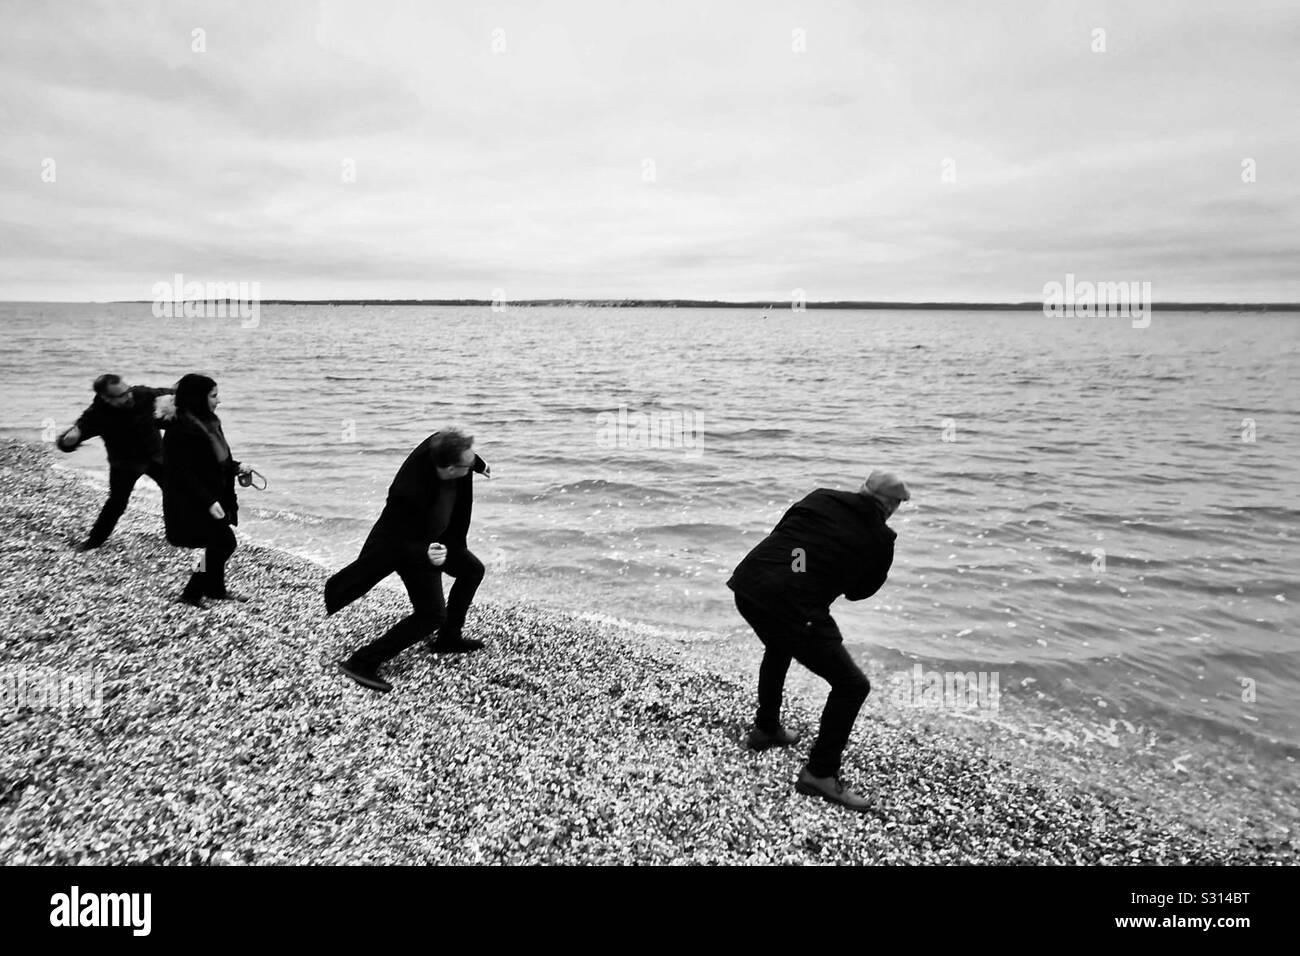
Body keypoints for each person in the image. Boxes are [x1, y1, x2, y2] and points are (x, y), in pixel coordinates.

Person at [727, 470, 911, 812]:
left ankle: (766, 729)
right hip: (793, 606)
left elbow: (784, 535)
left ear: (862, 488)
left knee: (779, 644)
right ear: (891, 505)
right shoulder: (881, 538)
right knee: (852, 686)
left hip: (748, 584)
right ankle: (819, 774)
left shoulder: (820, 496)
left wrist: (805, 564)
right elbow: (860, 592)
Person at [328, 428, 492, 693]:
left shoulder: (441, 446)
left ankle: (448, 639)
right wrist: (424, 553)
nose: (471, 465)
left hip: (441, 540)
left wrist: (479, 463)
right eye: (468, 464)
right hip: (405, 547)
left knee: (472, 571)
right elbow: (398, 541)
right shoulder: (408, 494)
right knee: (431, 614)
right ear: (450, 468)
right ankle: (361, 662)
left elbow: (453, 444)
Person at [161, 373, 254, 607]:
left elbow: (216, 459)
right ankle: (191, 593)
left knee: (217, 544)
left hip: (215, 495)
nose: (218, 401)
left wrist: (236, 467)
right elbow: (182, 473)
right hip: (191, 500)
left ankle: (215, 589)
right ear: (197, 398)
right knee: (223, 544)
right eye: (213, 396)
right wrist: (208, 501)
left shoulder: (209, 421)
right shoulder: (179, 429)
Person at [56, 374, 175, 550]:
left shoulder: (141, 394)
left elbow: (172, 394)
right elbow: (74, 436)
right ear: (106, 398)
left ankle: (178, 534)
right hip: (125, 464)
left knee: (176, 493)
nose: (128, 396)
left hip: (155, 456)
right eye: (121, 395)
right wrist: (67, 441)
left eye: (127, 390)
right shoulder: (97, 414)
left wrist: (185, 395)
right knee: (117, 503)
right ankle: (93, 542)